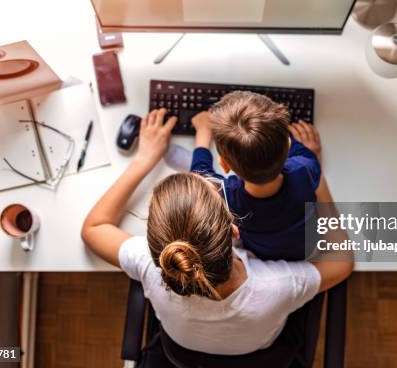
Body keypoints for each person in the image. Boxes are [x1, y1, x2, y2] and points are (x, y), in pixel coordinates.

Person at [82, 108, 353, 356]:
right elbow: (343, 262)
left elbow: (93, 228)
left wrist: (145, 158)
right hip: (259, 351)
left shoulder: (151, 265)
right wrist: (316, 179)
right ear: (236, 230)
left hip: (182, 351)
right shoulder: (278, 285)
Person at [190, 91, 322, 260]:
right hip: (305, 248)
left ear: (224, 165)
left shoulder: (229, 197)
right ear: (288, 146)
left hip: (261, 253)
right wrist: (308, 150)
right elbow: (297, 150)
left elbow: (200, 178)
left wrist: (202, 134)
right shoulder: (305, 167)